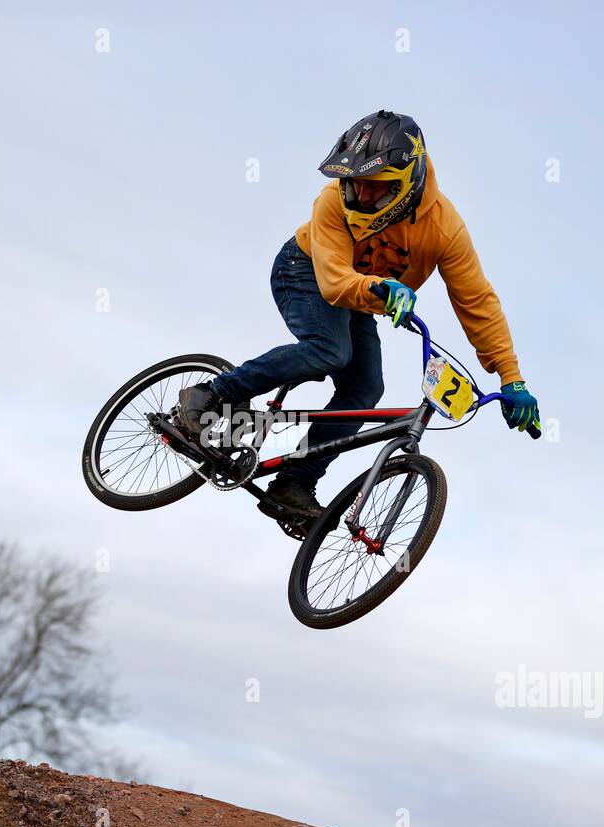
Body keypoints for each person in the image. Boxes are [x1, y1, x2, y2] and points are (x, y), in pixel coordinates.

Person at [177, 109, 541, 519]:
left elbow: (476, 301)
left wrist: (511, 377)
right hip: (306, 270)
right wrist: (381, 289)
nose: (362, 196)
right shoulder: (333, 199)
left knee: (366, 388)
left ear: (407, 184)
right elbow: (334, 283)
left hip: (363, 295)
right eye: (356, 184)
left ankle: (295, 480)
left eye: (375, 187)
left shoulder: (444, 229)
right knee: (330, 350)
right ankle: (212, 395)